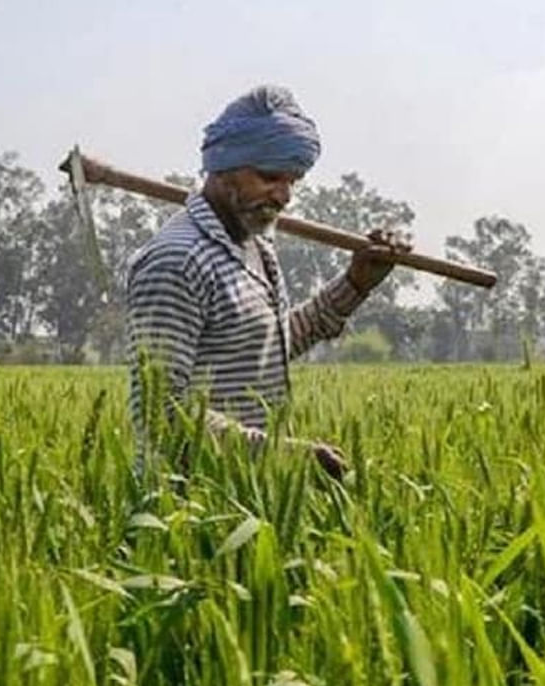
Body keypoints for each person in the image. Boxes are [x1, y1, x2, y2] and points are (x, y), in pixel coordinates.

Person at [125, 85, 409, 478]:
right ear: (223, 168)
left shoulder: (253, 245)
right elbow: (160, 413)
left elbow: (266, 345)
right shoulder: (177, 261)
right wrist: (282, 454)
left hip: (250, 492)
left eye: (293, 180)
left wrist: (356, 285)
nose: (285, 195)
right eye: (270, 177)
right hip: (186, 509)